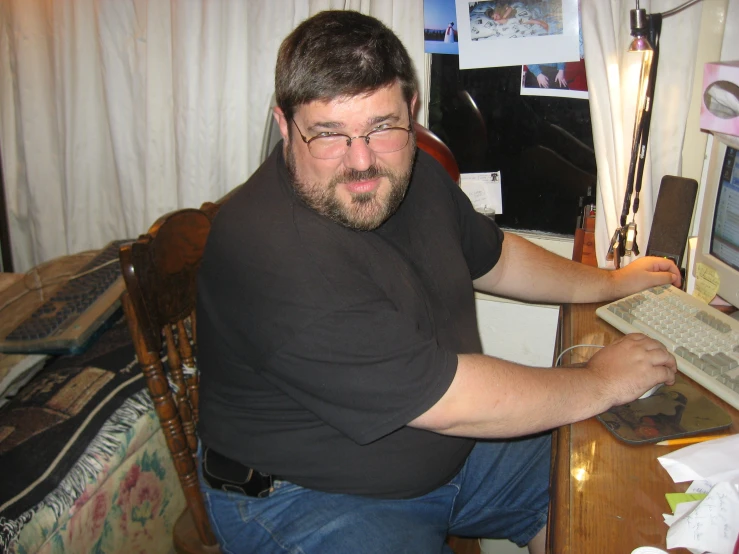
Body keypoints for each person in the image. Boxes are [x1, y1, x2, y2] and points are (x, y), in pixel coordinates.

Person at [196, 10, 680, 554]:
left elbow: (495, 258)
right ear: (286, 127)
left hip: (450, 450)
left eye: (381, 126)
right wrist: (600, 381)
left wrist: (611, 283)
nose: (362, 163)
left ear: (411, 111)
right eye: (329, 135)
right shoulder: (267, 255)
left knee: (611, 497)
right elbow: (451, 397)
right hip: (307, 498)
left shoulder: (413, 170)